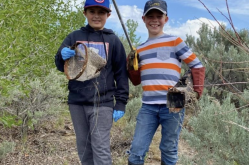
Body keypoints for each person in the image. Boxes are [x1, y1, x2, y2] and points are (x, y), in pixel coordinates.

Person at [127, 0, 205, 165]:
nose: (154, 20)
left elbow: (197, 66)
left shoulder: (175, 41)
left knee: (169, 150)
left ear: (166, 19)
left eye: (159, 16)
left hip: (173, 103)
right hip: (147, 105)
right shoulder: (139, 49)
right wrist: (131, 67)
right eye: (150, 16)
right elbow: (136, 81)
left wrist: (196, 92)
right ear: (143, 19)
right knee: (136, 151)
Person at [54, 0, 129, 164]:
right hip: (77, 102)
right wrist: (61, 56)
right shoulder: (74, 37)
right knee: (84, 147)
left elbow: (121, 74)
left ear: (108, 15)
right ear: (85, 13)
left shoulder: (113, 41)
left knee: (100, 149)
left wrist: (121, 103)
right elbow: (61, 66)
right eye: (92, 11)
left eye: (101, 12)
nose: (96, 16)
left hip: (103, 103)